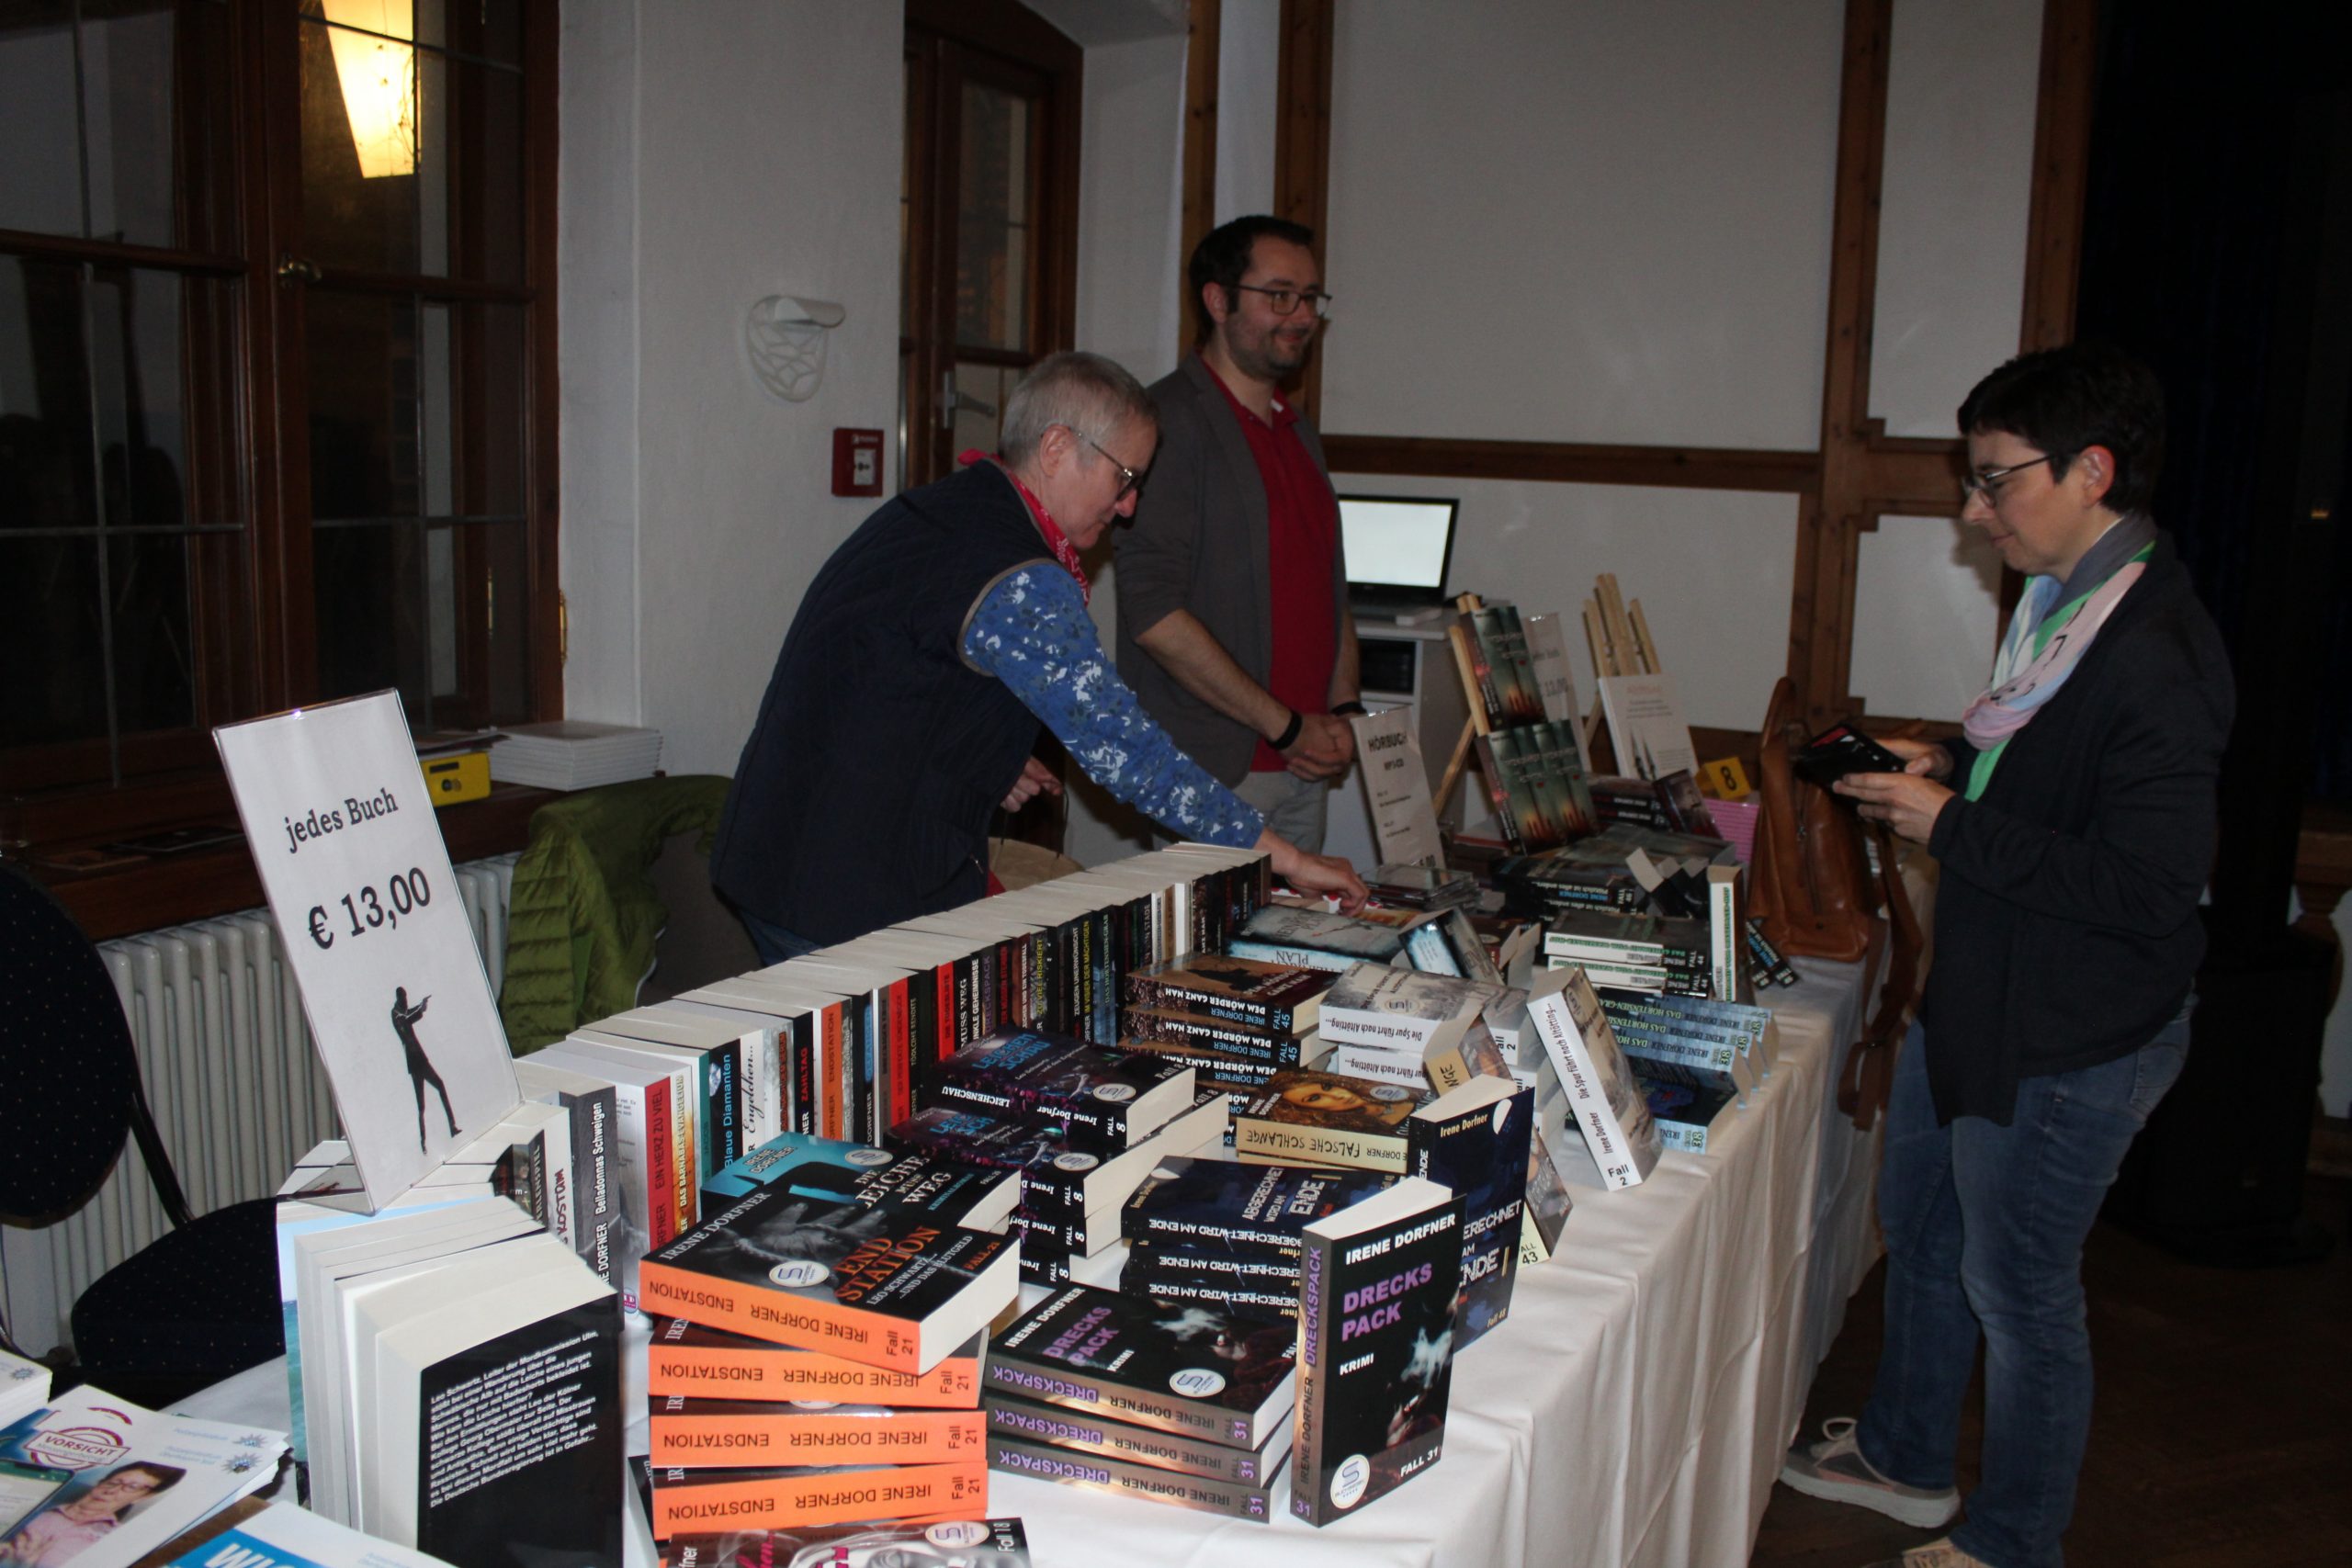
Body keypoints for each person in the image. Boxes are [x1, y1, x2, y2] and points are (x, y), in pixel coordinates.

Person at [1778, 344, 2233, 1568]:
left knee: (2020, 1291)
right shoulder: (2068, 605)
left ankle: (2016, 1541)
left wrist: (1951, 823)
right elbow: (2045, 770)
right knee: (1923, 1232)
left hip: (2070, 1033)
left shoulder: (2159, 650)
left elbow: (2146, 888)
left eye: (1995, 481)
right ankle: (1905, 1457)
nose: (1976, 512)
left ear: (2092, 471)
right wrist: (1949, 761)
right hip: (1982, 994)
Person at [711, 351, 1366, 963]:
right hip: (843, 887)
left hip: (774, 850)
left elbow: (894, 666)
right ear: (1056, 449)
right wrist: (1283, 857)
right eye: (1125, 478)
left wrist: (979, 749)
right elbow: (1130, 752)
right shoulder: (1020, 572)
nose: (1129, 506)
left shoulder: (946, 506)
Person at [1115, 215, 1363, 853]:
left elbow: (1329, 585)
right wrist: (1285, 727)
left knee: (1297, 925)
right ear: (1218, 300)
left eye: (1310, 298)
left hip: (1305, 762)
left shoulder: (1297, 429)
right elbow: (1154, 614)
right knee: (1220, 929)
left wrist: (1344, 710)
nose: (1301, 315)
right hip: (1219, 769)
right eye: (1279, 296)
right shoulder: (1166, 423)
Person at [0, 1462, 182, 1568]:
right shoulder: (39, 1507)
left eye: (131, 1487)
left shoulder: (118, 1540)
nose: (112, 1491)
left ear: (143, 1497)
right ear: (100, 1482)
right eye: (113, 1482)